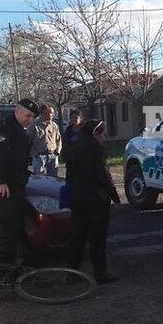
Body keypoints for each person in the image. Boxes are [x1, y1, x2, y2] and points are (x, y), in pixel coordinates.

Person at [0, 98, 40, 264]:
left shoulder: (19, 129)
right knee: (10, 229)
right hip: (5, 187)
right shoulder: (5, 128)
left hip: (17, 184)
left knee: (18, 227)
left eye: (32, 117)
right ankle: (5, 272)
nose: (30, 120)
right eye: (28, 116)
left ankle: (23, 266)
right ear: (17, 111)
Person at [67, 120, 121, 284]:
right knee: (98, 239)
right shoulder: (96, 149)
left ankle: (71, 273)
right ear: (95, 133)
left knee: (78, 238)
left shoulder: (74, 147)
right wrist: (115, 198)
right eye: (102, 133)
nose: (104, 137)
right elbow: (104, 176)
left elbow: (69, 175)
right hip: (96, 200)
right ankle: (100, 272)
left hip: (77, 199)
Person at [28, 105, 62, 177]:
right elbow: (28, 141)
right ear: (43, 113)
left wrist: (57, 152)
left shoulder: (54, 125)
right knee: (39, 178)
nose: (51, 115)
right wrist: (34, 153)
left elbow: (58, 139)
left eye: (52, 113)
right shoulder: (34, 125)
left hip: (53, 155)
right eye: (49, 113)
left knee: (53, 178)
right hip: (39, 156)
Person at [60, 109, 84, 174]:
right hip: (71, 159)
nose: (74, 119)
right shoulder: (68, 130)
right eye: (72, 118)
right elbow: (65, 143)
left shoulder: (85, 130)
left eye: (76, 117)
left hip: (83, 159)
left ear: (81, 118)